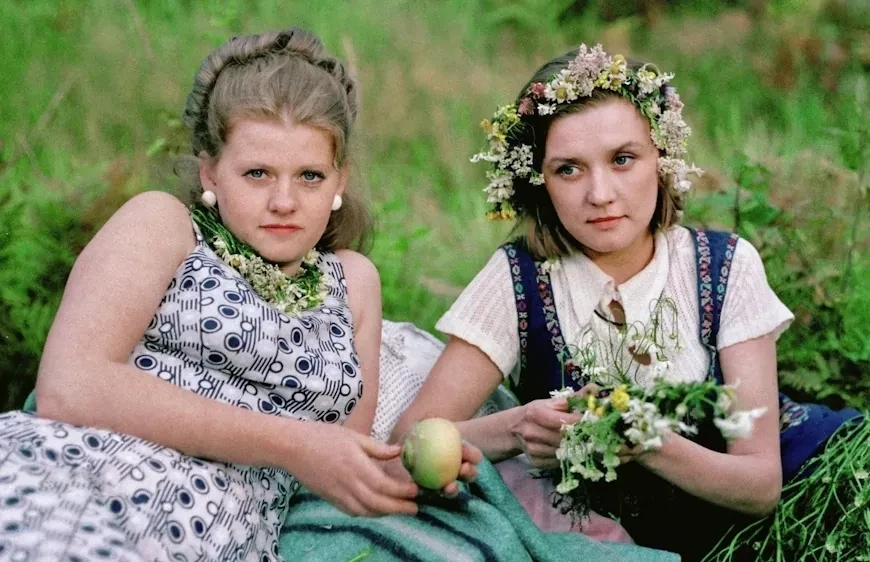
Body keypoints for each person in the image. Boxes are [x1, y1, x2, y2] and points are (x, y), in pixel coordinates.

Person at [390, 44, 865, 560]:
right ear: (539, 181)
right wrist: (515, 428)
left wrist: (641, 440)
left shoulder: (724, 265)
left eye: (622, 159)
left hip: (807, 492)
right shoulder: (518, 279)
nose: (600, 194)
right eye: (568, 169)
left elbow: (760, 486)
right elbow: (406, 445)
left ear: (661, 158)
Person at [0, 26, 422, 561]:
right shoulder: (165, 225)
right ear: (211, 173)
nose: (284, 201)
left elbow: (348, 463)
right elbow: (69, 387)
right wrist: (293, 444)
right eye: (257, 173)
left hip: (209, 537)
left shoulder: (353, 282)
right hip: (77, 476)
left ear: (340, 180)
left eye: (310, 176)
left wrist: (492, 438)